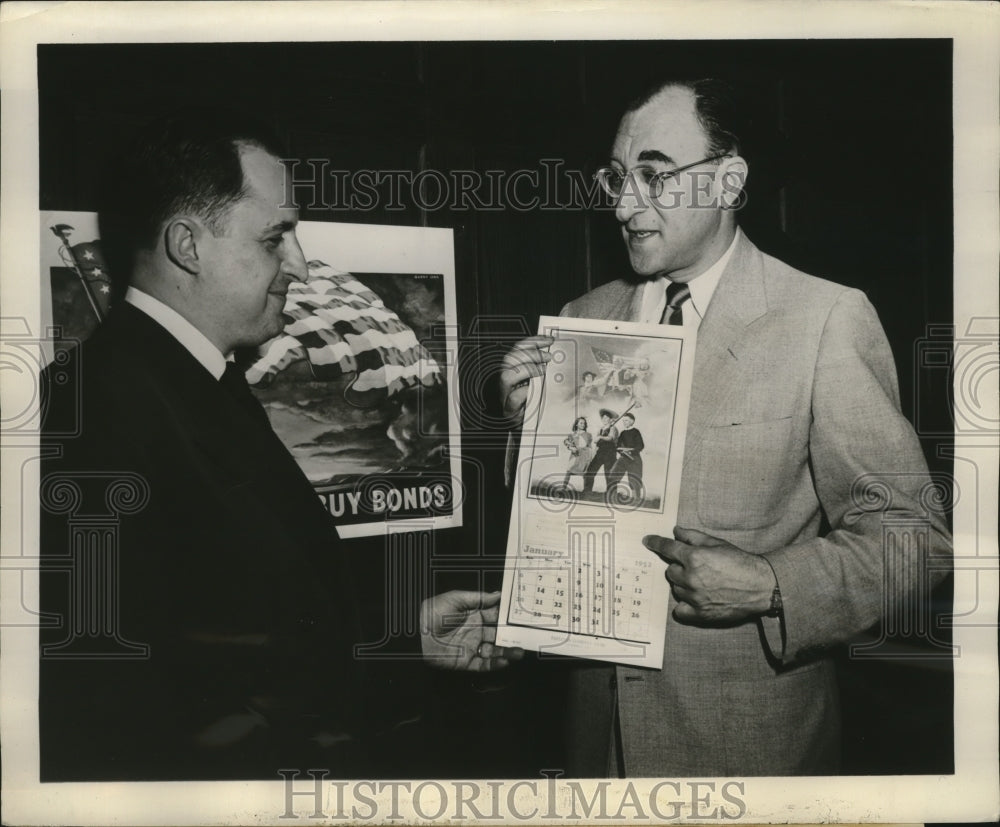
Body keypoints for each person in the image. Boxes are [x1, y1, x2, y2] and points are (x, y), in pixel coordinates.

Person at [39, 109, 518, 782]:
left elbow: (243, 631)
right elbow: (131, 708)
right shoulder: (92, 409)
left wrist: (404, 636)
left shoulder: (195, 376)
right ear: (187, 245)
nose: (297, 262)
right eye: (276, 236)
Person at [499, 78, 951, 776]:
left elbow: (915, 544)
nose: (623, 204)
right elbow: (563, 515)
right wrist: (524, 429)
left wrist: (772, 585)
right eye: (616, 178)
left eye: (653, 175)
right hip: (597, 749)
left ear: (729, 180)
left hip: (751, 756)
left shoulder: (822, 318)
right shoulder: (587, 312)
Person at [606, 412, 644, 501]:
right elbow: (618, 445)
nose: (624, 422)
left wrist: (630, 451)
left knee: (634, 479)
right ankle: (613, 496)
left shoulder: (636, 432)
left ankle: (636, 499)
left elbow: (640, 446)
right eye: (623, 421)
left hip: (634, 459)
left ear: (632, 421)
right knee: (613, 474)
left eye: (626, 421)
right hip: (623, 457)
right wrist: (621, 450)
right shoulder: (622, 433)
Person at [582, 408, 620, 495]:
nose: (604, 420)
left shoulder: (613, 428)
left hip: (610, 453)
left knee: (609, 473)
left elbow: (611, 438)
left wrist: (601, 437)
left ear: (611, 419)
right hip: (600, 453)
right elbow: (596, 442)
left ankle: (612, 493)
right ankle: (587, 490)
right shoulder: (600, 429)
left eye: (607, 418)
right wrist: (595, 450)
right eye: (603, 418)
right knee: (590, 470)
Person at [562, 416, 595, 489]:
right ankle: (563, 488)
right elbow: (566, 441)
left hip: (585, 455)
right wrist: (571, 447)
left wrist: (590, 457)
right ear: (576, 424)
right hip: (575, 454)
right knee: (569, 471)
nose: (583, 424)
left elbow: (589, 446)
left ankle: (586, 491)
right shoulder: (572, 435)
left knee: (585, 473)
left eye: (584, 423)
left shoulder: (588, 435)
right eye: (581, 423)